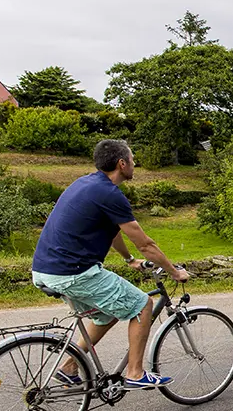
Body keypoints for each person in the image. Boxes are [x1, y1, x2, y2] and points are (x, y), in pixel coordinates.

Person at [30, 139, 189, 389]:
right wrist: (174, 272)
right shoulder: (110, 194)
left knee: (107, 313)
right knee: (142, 305)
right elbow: (145, 245)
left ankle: (69, 367)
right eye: (132, 159)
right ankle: (135, 373)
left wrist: (129, 260)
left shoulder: (86, 184)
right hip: (73, 272)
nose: (135, 163)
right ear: (122, 163)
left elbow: (113, 231)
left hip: (45, 270)